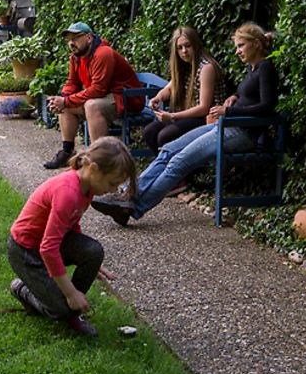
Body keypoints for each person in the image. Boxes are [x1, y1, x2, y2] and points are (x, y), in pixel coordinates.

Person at [91, 22, 278, 226]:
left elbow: (268, 106)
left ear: (257, 44)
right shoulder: (254, 68)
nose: (238, 51)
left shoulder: (266, 67)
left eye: (241, 45)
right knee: (169, 150)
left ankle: (134, 206)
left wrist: (230, 110)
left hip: (242, 133)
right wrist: (234, 97)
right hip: (226, 126)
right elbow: (250, 96)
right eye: (237, 46)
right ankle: (128, 194)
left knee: (179, 161)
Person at [8, 137, 137, 337]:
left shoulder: (87, 187)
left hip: (46, 244)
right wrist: (70, 292)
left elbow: (70, 223)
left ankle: (72, 311)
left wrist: (85, 257)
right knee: (59, 310)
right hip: (25, 250)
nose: (112, 190)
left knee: (93, 252)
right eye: (112, 183)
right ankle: (24, 290)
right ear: (93, 168)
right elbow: (48, 249)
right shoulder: (67, 191)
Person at [43, 22, 145, 169]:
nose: (72, 43)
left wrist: (66, 101)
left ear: (89, 38)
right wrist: (62, 99)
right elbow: (72, 82)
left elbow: (98, 89)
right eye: (69, 39)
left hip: (127, 98)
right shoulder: (76, 57)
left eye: (76, 38)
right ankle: (67, 152)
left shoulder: (103, 53)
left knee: (91, 106)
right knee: (66, 106)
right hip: (106, 97)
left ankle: (99, 160)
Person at [143, 26, 228, 154]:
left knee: (165, 136)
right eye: (179, 48)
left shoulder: (206, 68)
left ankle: (183, 169)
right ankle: (166, 167)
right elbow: (170, 88)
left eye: (188, 46)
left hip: (207, 119)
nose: (184, 51)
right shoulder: (184, 66)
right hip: (190, 115)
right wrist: (158, 98)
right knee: (149, 132)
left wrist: (172, 116)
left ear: (195, 45)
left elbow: (204, 108)